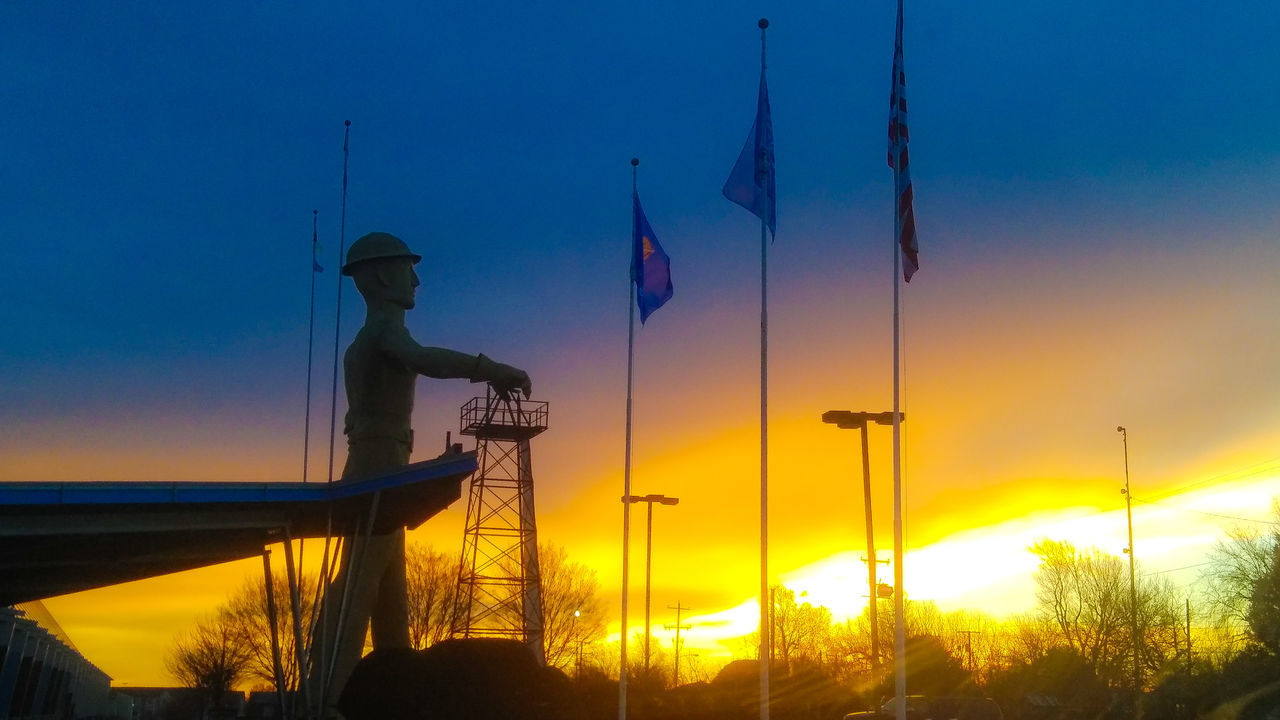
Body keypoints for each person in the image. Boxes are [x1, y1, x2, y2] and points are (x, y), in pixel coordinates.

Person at [315, 231, 530, 705]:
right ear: (382, 276)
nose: (416, 279)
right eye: (407, 269)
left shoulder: (377, 337)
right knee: (358, 583)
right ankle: (325, 700)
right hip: (378, 462)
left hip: (386, 460)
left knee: (388, 594)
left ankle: (394, 694)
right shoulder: (382, 335)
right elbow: (424, 360)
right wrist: (489, 367)